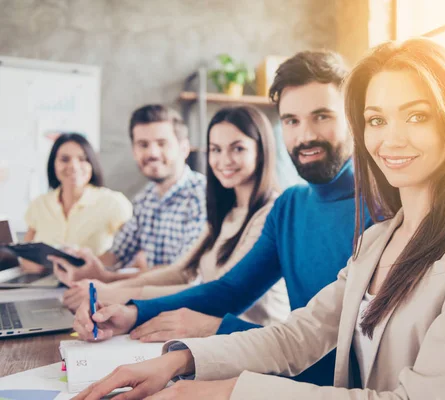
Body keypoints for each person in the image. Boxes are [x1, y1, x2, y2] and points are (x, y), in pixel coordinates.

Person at [74, 38, 445, 400]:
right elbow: (299, 335)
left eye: (416, 115)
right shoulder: (377, 240)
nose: (391, 139)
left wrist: (230, 389)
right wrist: (178, 361)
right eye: (376, 120)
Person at [71, 49, 372, 386]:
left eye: (322, 116)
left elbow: (346, 360)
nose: (305, 136)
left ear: (352, 117)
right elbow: (229, 290)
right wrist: (133, 313)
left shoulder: (382, 210)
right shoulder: (290, 206)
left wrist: (214, 327)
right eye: (291, 120)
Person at [59, 106, 290, 328]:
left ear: (262, 151)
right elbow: (182, 269)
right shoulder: (224, 211)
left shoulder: (270, 213)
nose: (224, 160)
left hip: (252, 340)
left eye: (238, 148)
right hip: (212, 333)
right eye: (216, 150)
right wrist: (105, 284)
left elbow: (221, 291)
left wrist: (118, 293)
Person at [50, 105, 207, 283]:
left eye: (162, 143)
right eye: (143, 145)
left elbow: (184, 271)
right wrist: (81, 263)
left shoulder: (202, 196)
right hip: (153, 301)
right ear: (134, 152)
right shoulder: (145, 199)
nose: (152, 153)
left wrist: (107, 277)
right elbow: (116, 254)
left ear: (184, 148)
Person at [20, 133, 132, 274]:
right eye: (64, 159)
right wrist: (35, 265)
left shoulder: (113, 202)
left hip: (93, 284)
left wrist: (88, 264)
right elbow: (25, 255)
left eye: (82, 159)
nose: (73, 166)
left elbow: (133, 252)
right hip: (43, 283)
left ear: (92, 163)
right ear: (53, 164)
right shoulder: (39, 204)